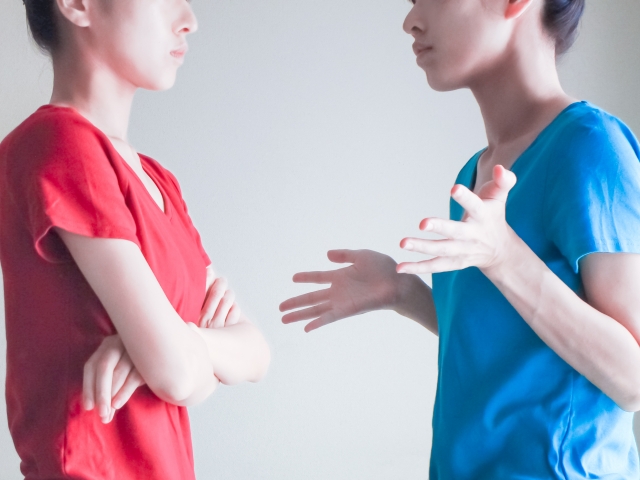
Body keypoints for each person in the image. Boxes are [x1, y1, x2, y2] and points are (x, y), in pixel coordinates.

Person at [280, 0, 640, 478]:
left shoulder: (590, 147)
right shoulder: (474, 172)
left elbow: (633, 379)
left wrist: (505, 257)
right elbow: (503, 343)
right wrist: (401, 291)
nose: (410, 21)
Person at [0, 1, 270, 479]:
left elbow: (256, 354)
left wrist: (179, 342)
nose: (189, 20)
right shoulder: (58, 143)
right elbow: (179, 376)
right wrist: (179, 352)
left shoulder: (158, 180)